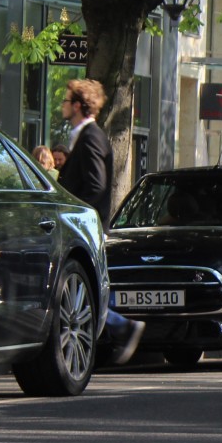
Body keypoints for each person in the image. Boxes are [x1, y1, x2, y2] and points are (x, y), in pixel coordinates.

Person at [59, 78, 145, 365]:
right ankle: (120, 327)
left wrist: (76, 215)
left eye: (66, 100)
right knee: (91, 286)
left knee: (87, 287)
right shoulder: (85, 136)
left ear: (77, 105)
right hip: (87, 227)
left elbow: (96, 185)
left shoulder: (91, 137)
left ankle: (123, 326)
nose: (63, 105)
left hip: (85, 228)